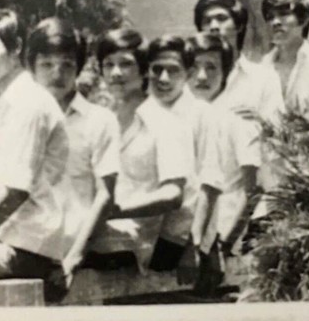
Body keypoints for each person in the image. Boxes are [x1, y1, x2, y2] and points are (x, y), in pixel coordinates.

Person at [0, 8, 69, 301]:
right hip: (9, 240)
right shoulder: (9, 104)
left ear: (16, 47)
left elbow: (15, 193)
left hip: (27, 248)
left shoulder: (28, 103)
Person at [87, 28, 192, 274]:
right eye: (108, 65)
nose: (116, 73)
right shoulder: (100, 120)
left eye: (125, 64)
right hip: (98, 229)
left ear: (144, 70)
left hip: (136, 242)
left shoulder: (165, 123)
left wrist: (116, 209)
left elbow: (174, 193)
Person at [27, 17, 121, 286]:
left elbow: (105, 195)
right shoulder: (19, 119)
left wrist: (75, 257)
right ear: (32, 68)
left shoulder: (99, 120)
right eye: (47, 65)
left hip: (70, 246)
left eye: (66, 65)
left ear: (78, 68)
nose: (57, 74)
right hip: (25, 242)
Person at [145, 35, 226, 285]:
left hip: (183, 239)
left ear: (188, 74)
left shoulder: (201, 114)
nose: (164, 78)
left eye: (173, 70)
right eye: (157, 69)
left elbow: (210, 184)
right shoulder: (145, 111)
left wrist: (193, 244)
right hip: (148, 233)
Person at [186, 33, 260, 257]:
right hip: (185, 233)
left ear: (226, 73)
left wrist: (225, 244)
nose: (201, 76)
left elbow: (253, 189)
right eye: (193, 67)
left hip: (220, 235)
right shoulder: (182, 116)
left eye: (211, 67)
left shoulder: (238, 117)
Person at [194, 0, 284, 127]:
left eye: (221, 18)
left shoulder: (264, 78)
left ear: (239, 25)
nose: (213, 26)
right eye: (207, 21)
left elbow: (281, 133)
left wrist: (262, 122)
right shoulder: (190, 78)